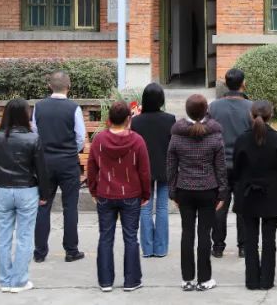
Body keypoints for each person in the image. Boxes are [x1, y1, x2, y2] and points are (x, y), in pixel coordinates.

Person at [87, 101, 152, 293]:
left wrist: (93, 190)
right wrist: (146, 193)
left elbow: (91, 167)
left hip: (105, 193)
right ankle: (132, 280)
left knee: (105, 237)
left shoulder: (99, 140)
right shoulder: (137, 141)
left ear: (109, 118)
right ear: (128, 119)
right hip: (131, 194)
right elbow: (144, 171)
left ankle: (105, 281)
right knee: (131, 237)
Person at [0, 98, 50, 294]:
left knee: (3, 237)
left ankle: (5, 280)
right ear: (25, 115)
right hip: (27, 190)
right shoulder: (33, 138)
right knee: (24, 237)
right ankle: (19, 281)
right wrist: (44, 194)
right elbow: (41, 170)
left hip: (3, 190)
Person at [167, 94, 227, 292]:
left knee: (187, 233)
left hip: (184, 189)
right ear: (206, 110)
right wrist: (222, 193)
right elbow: (220, 167)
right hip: (208, 189)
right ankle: (204, 279)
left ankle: (187, 279)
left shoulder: (177, 134)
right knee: (204, 234)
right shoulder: (215, 134)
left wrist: (173, 191)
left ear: (187, 110)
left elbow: (171, 165)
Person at [231, 101, 277, 290]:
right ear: (271, 115)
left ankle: (251, 280)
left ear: (251, 115)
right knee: (269, 238)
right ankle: (267, 280)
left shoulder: (242, 139)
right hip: (271, 193)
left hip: (248, 193)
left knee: (250, 238)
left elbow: (236, 168)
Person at [32, 71, 87, 263]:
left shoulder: (39, 107)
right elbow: (80, 137)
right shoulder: (74, 108)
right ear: (68, 87)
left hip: (45, 162)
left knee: (43, 204)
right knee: (70, 206)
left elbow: (35, 134)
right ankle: (71, 250)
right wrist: (71, 150)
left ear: (50, 86)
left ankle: (39, 252)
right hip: (68, 162)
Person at [206, 68, 252, 258]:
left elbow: (207, 133)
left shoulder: (214, 107)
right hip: (244, 165)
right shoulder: (251, 107)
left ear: (226, 84)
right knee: (243, 207)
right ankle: (244, 246)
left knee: (219, 205)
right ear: (243, 83)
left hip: (219, 164)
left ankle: (218, 246)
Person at [130, 83, 175, 259]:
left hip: (143, 170)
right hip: (164, 167)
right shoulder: (170, 119)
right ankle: (161, 248)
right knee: (162, 208)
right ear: (161, 100)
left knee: (145, 208)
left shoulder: (136, 121)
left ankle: (147, 249)